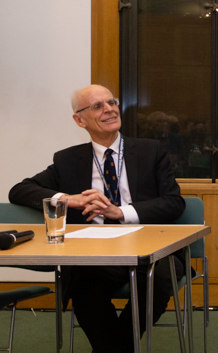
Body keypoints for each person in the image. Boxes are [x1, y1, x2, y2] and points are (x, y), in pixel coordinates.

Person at [8, 85, 185, 353]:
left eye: (111, 102)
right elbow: (19, 190)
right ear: (79, 120)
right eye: (97, 106)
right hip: (95, 254)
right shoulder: (68, 159)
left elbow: (174, 203)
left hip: (151, 249)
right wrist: (68, 199)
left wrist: (120, 212)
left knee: (158, 280)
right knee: (83, 287)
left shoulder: (151, 151)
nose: (109, 109)